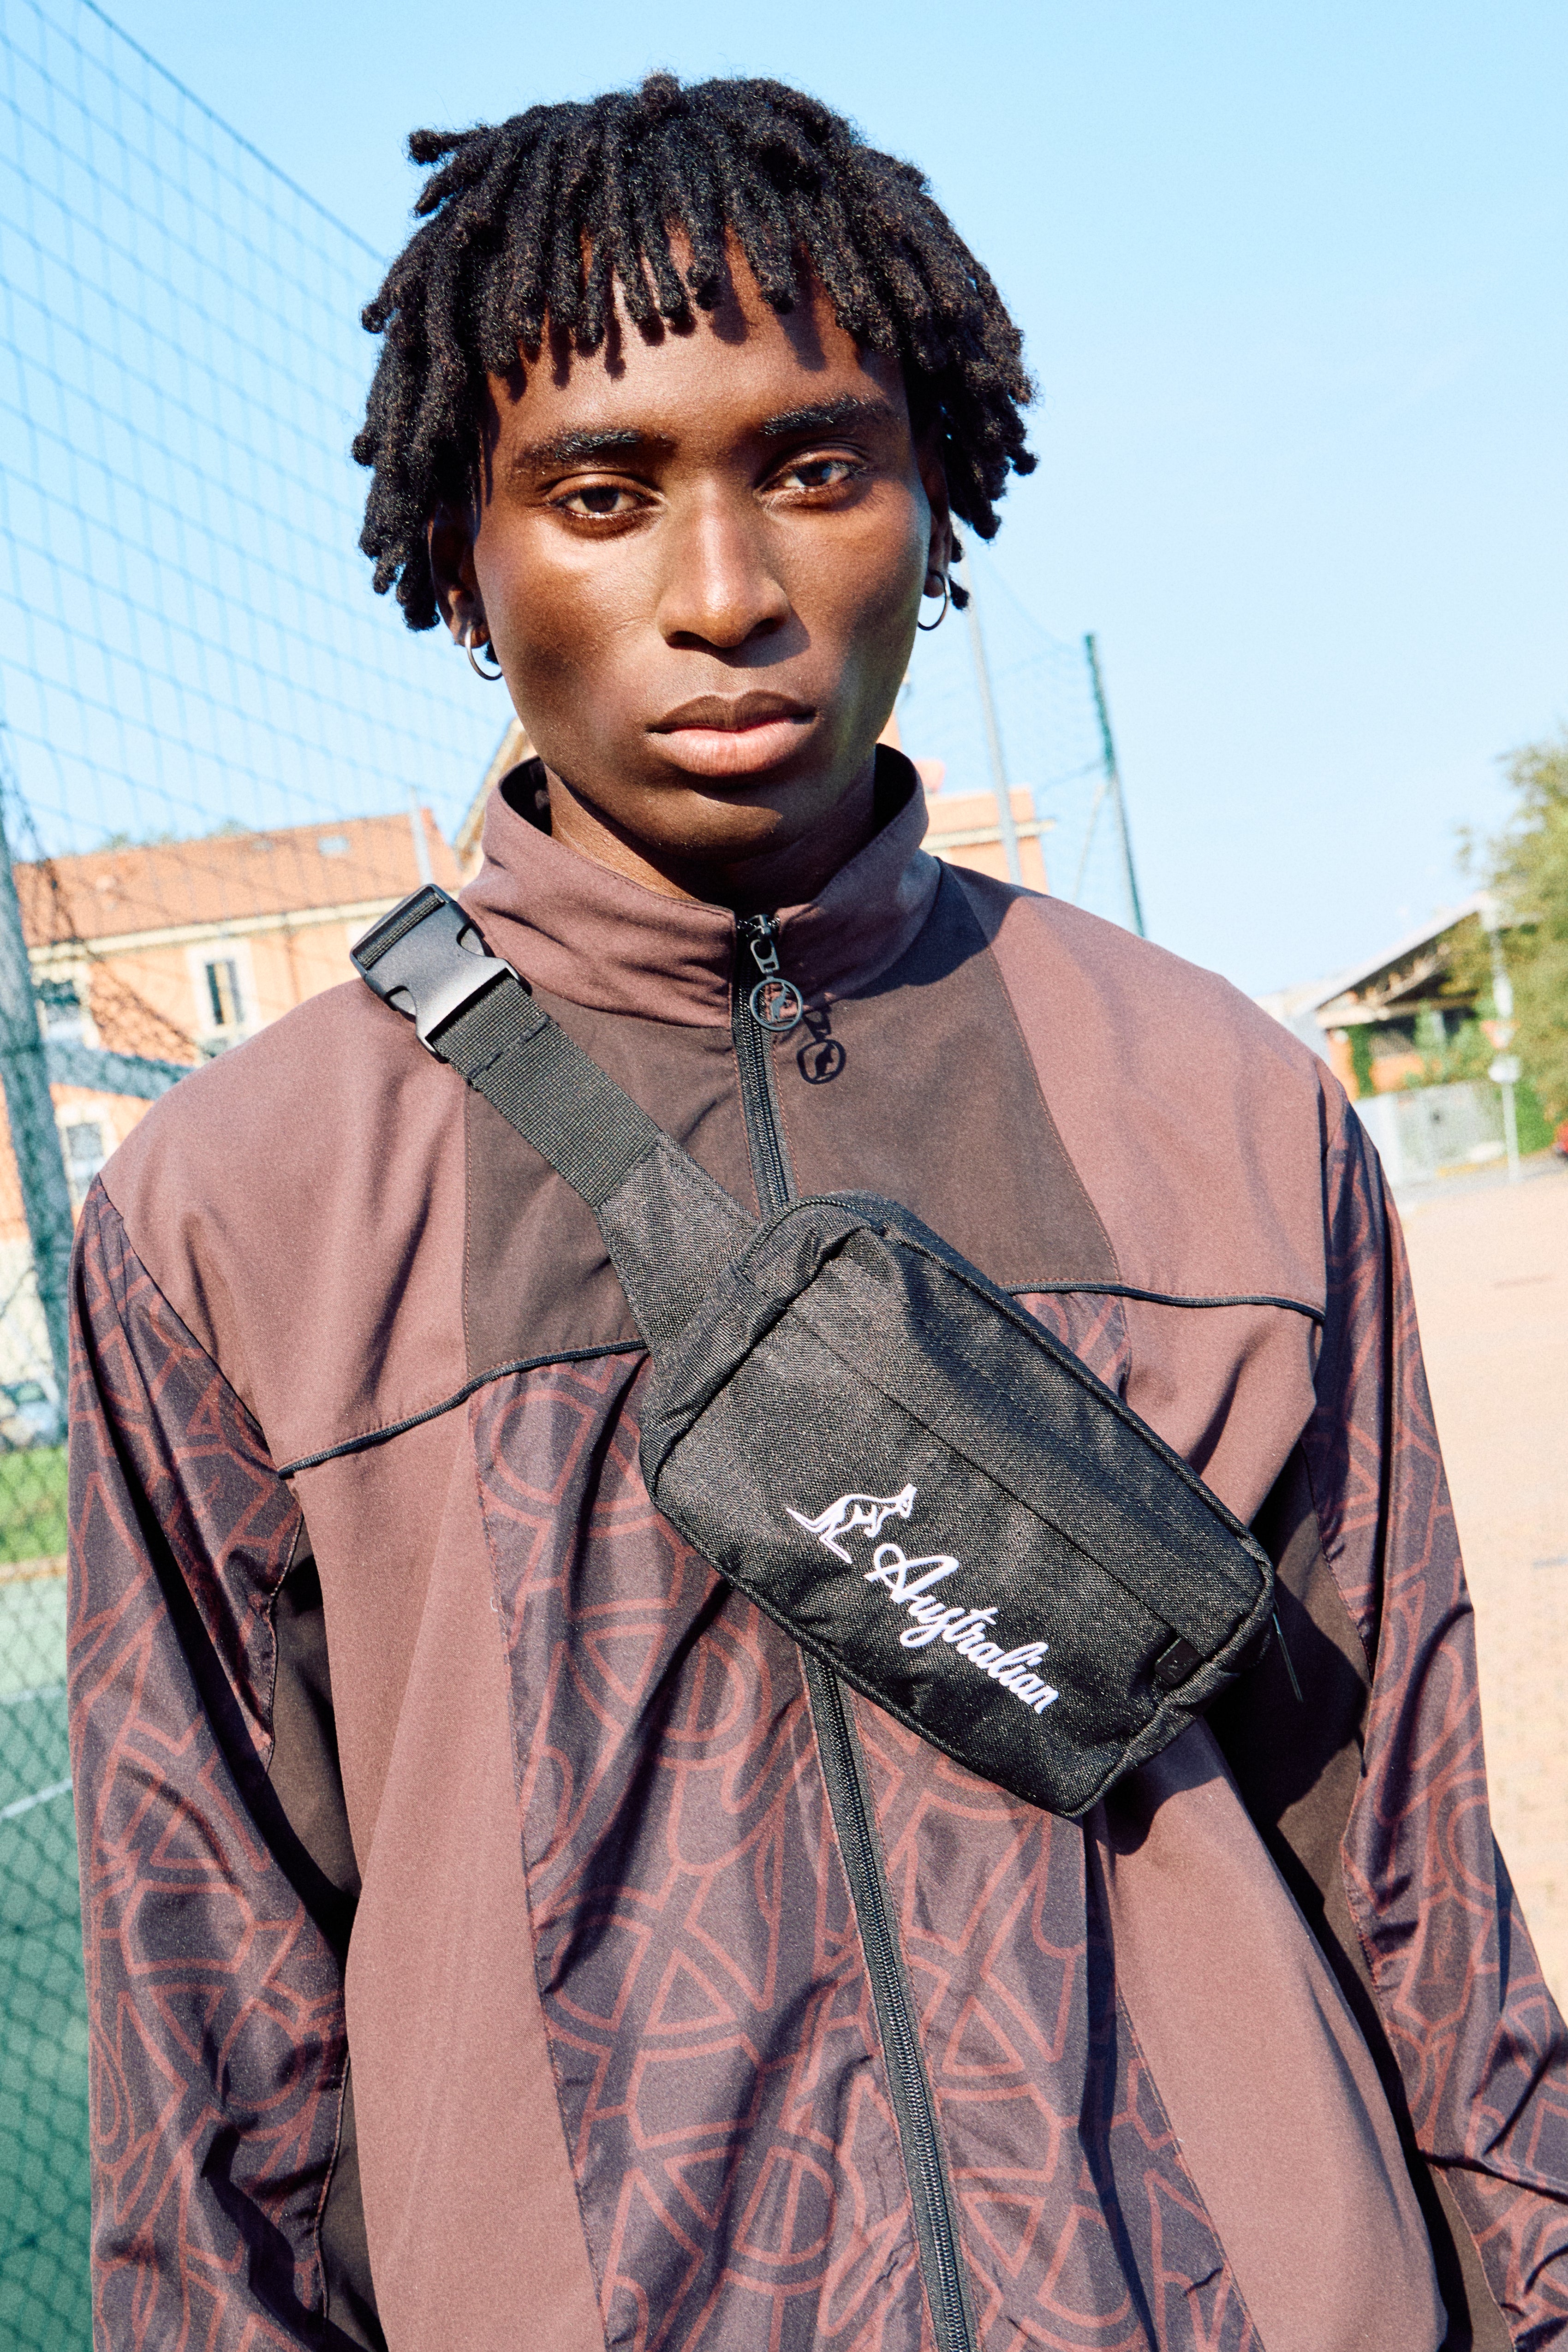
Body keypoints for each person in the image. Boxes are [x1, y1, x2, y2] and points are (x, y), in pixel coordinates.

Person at [67, 73, 1568, 2352]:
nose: (726, 595)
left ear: (933, 497)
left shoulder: (1227, 1108)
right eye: (599, 495)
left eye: (814, 468)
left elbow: (1412, 1846)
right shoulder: (234, 1207)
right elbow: (208, 2028)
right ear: (462, 561)